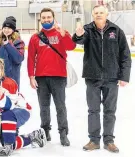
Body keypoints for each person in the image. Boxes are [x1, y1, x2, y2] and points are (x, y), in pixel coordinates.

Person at [72, 5, 131, 153]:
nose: (98, 15)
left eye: (101, 12)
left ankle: (109, 140)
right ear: (93, 15)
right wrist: (78, 35)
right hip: (92, 77)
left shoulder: (116, 31)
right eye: (96, 13)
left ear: (106, 14)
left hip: (111, 78)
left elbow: (125, 55)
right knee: (93, 110)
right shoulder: (87, 29)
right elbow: (79, 40)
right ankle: (94, 140)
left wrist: (124, 76)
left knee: (110, 111)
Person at [27, 8, 76, 146]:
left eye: (49, 17)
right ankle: (45, 131)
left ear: (53, 18)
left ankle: (63, 133)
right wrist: (31, 76)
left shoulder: (61, 33)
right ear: (40, 20)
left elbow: (71, 46)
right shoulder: (35, 37)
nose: (46, 20)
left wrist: (64, 35)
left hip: (59, 76)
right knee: (44, 106)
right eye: (44, 18)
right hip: (41, 77)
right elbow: (31, 58)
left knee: (60, 106)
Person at [0, 58, 47, 156]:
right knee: (5, 140)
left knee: (7, 115)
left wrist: (1, 96)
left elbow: (10, 106)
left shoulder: (9, 83)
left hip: (21, 110)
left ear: (2, 71)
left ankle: (8, 147)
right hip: (6, 114)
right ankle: (33, 136)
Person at [0, 18, 24, 88]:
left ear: (13, 30)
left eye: (9, 28)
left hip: (12, 78)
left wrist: (8, 45)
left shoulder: (18, 42)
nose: (6, 30)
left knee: (11, 98)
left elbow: (18, 58)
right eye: (5, 27)